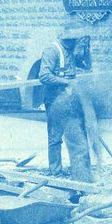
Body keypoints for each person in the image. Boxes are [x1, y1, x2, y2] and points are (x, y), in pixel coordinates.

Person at [38, 30, 93, 182]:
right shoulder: (53, 50)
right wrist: (67, 82)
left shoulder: (73, 51)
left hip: (71, 97)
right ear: (67, 40)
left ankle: (82, 172)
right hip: (55, 98)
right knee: (55, 136)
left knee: (79, 133)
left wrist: (86, 50)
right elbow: (43, 76)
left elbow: (87, 66)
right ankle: (56, 172)